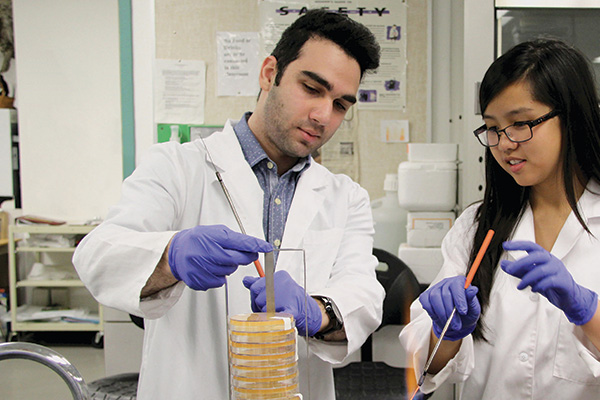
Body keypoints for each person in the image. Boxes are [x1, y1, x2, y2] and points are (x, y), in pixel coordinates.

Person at [73, 9, 385, 400]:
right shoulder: (177, 167)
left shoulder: (346, 198)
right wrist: (171, 256)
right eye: (311, 88)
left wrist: (316, 310)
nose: (323, 115)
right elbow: (96, 255)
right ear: (269, 73)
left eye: (341, 104)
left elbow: (363, 293)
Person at [400, 38, 600, 399]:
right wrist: (447, 331)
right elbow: (427, 366)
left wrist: (587, 312)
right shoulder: (478, 227)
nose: (504, 143)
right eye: (492, 127)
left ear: (571, 118)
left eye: (520, 123)